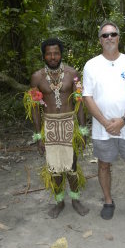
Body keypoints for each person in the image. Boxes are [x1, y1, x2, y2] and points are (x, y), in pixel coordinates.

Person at [82, 21, 125, 220]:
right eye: (105, 35)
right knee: (103, 164)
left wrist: (122, 120)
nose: (109, 38)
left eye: (113, 34)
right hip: (102, 128)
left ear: (119, 37)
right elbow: (88, 97)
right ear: (100, 40)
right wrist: (106, 123)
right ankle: (107, 200)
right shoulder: (91, 65)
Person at [30, 38, 89, 218]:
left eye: (56, 53)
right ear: (44, 56)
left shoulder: (73, 74)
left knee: (72, 166)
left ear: (61, 54)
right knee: (54, 168)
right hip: (50, 127)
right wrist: (38, 136)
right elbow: (34, 108)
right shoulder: (37, 77)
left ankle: (76, 199)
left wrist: (83, 131)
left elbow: (79, 103)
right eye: (49, 53)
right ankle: (59, 201)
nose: (53, 57)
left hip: (69, 125)